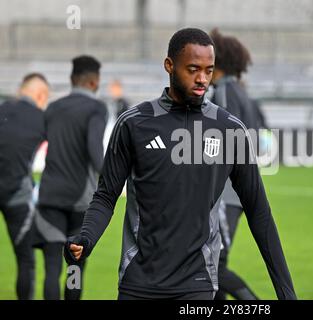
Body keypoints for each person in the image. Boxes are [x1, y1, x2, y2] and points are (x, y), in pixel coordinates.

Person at [64, 28, 297, 300]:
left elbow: (259, 212)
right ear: (169, 66)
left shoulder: (230, 130)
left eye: (209, 71)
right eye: (193, 69)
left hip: (196, 283)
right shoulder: (133, 123)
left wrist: (286, 293)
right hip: (138, 282)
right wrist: (86, 237)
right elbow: (105, 196)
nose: (202, 79)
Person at [33, 56, 107, 300]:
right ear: (94, 82)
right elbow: (96, 152)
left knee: (52, 269)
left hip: (49, 197)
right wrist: (112, 179)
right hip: (80, 201)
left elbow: (35, 145)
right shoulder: (96, 108)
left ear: (71, 79)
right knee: (74, 268)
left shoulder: (53, 108)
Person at [209, 28, 261, 300]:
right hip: (238, 190)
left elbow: (224, 136)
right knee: (214, 265)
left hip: (225, 191)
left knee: (212, 265)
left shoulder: (225, 91)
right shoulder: (243, 93)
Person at [0, 73, 49, 300]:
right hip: (17, 196)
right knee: (25, 260)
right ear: (41, 96)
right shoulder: (41, 119)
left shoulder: (3, 108)